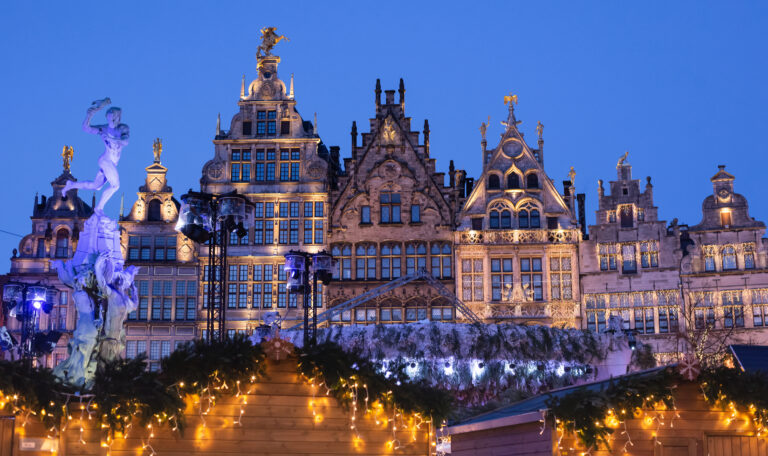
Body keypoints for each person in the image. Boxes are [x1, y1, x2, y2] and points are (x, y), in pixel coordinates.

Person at [63, 98, 129, 216]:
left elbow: (125, 141)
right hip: (106, 160)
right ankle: (99, 208)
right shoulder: (103, 128)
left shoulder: (122, 128)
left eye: (112, 118)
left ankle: (71, 185)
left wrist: (111, 139)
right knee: (115, 185)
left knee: (96, 186)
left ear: (117, 118)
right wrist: (89, 116)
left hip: (112, 163)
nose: (110, 121)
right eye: (108, 118)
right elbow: (86, 128)